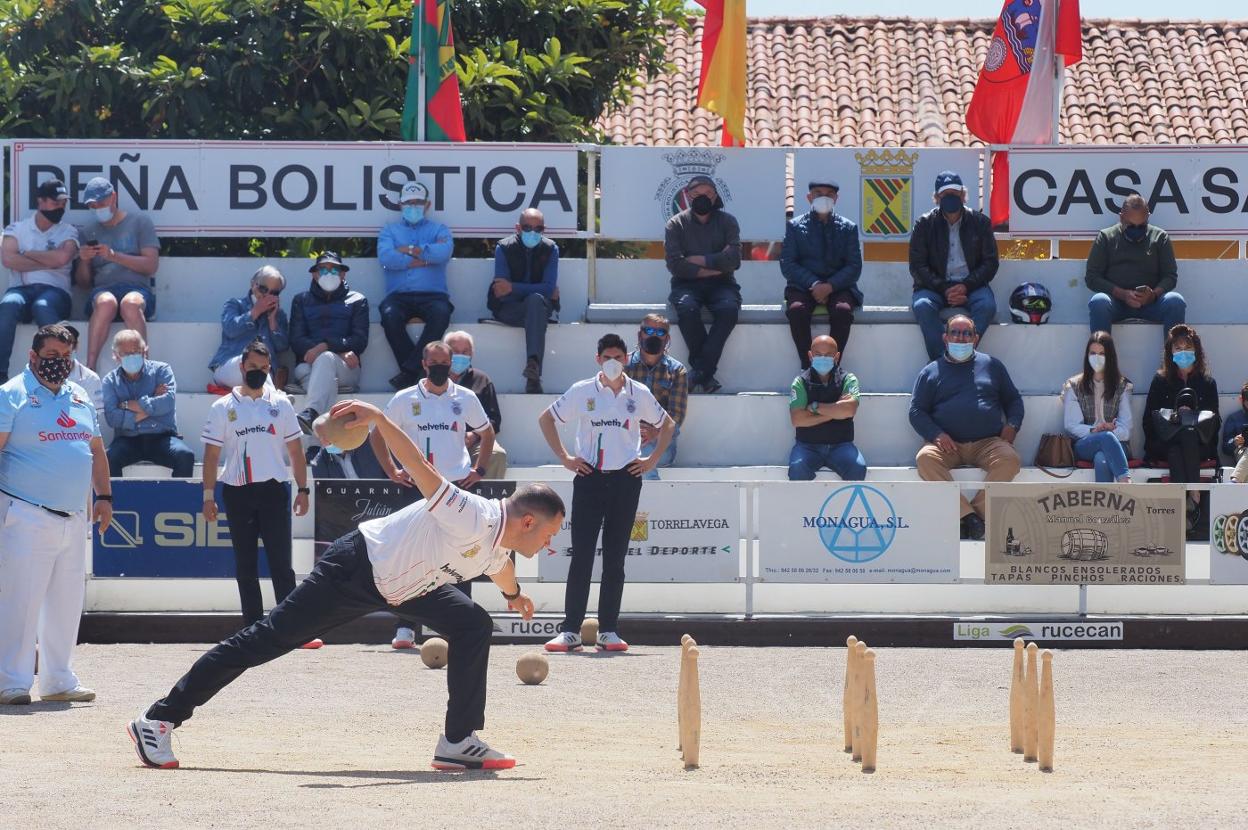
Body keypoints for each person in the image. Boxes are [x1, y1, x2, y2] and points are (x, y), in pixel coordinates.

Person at [126, 398, 563, 772]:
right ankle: (157, 721)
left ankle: (458, 742)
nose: (548, 542)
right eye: (549, 533)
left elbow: (501, 567)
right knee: (265, 640)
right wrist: (379, 417)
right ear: (527, 521)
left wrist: (514, 595)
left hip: (407, 586)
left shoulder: (500, 541)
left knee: (472, 623)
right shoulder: (472, 514)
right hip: (356, 569)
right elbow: (419, 466)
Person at [538, 333, 674, 653]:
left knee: (615, 557)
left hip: (626, 478)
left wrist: (650, 460)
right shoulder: (582, 390)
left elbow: (666, 424)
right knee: (582, 555)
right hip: (589, 478)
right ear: (598, 359)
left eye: (618, 356)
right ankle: (570, 630)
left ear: (627, 358)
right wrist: (565, 459)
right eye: (607, 357)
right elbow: (546, 419)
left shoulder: (638, 392)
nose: (613, 362)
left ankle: (608, 629)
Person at [0, 323, 112, 705]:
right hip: (26, 512)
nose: (59, 364)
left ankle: (58, 678)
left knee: (66, 601)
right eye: (51, 357)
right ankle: (10, 680)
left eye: (66, 357)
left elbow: (96, 450)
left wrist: (105, 496)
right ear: (32, 357)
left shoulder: (78, 395)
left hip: (73, 514)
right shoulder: (10, 395)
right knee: (21, 599)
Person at [370, 340, 496, 650]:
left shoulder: (465, 397)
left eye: (444, 363)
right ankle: (405, 627)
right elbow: (377, 432)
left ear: (451, 365)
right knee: (410, 553)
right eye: (433, 363)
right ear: (424, 365)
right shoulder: (404, 399)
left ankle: (460, 626)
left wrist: (478, 471)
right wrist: (390, 470)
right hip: (416, 486)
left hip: (454, 487)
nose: (439, 368)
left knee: (462, 552)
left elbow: (487, 432)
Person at [201, 340, 313, 638]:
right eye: (253, 368)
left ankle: (291, 629)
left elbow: (296, 451)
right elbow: (211, 456)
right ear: (241, 367)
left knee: (281, 562)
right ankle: (252, 629)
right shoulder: (222, 407)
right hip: (237, 491)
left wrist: (303, 489)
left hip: (274, 491)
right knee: (245, 563)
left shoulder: (281, 404)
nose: (258, 373)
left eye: (264, 368)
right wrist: (208, 496)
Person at [910, 315, 1023, 541]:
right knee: (925, 459)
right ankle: (969, 517)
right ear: (945, 337)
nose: (960, 338)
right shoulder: (930, 371)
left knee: (1010, 460)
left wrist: (1012, 426)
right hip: (946, 444)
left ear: (976, 338)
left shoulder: (992, 365)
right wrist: (937, 435)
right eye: (955, 333)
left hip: (988, 443)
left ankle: (971, 515)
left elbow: (1013, 400)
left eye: (966, 333)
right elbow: (916, 412)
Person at [909, 171, 999, 361]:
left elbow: (990, 262)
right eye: (945, 195)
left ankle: (964, 353)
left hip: (972, 286)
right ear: (937, 198)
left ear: (963, 196)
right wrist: (944, 288)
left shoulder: (980, 222)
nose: (951, 198)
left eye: (955, 194)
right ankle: (941, 360)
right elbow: (917, 265)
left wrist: (966, 286)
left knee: (987, 305)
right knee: (922, 305)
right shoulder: (924, 224)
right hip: (934, 287)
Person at [664, 175, 742, 394]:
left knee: (728, 310)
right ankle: (705, 375)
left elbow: (734, 260)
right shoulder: (675, 224)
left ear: (715, 196)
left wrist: (698, 259)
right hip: (686, 284)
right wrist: (717, 261)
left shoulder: (728, 222)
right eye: (698, 195)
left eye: (708, 194)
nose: (703, 199)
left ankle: (699, 373)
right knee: (687, 309)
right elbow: (675, 265)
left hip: (723, 284)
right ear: (688, 196)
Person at [75, 177, 161, 371]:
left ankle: (144, 367)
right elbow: (83, 283)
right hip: (102, 291)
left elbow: (151, 265)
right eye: (92, 205)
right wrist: (84, 260)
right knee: (106, 302)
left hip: (138, 289)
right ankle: (89, 369)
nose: (98, 208)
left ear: (114, 197)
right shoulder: (88, 231)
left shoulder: (140, 222)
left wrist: (114, 256)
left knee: (130, 304)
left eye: (101, 202)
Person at [1143, 324, 1220, 532]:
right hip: (1164, 442)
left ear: (1196, 350)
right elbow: (1148, 421)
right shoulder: (1160, 381)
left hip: (1199, 445)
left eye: (1187, 347)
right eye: (1177, 348)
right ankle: (1194, 494)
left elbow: (1215, 424)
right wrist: (1177, 417)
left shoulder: (1207, 383)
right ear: (1170, 352)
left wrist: (1193, 417)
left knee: (1184, 440)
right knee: (1180, 438)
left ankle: (1181, 506)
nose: (1183, 352)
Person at [378, 181, 454, 390]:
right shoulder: (389, 230)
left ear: (427, 205)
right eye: (408, 203)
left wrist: (407, 249)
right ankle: (417, 371)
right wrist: (424, 257)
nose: (413, 207)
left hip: (433, 296)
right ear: (401, 205)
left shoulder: (439, 228)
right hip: (399, 296)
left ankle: (409, 372)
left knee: (441, 314)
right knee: (389, 315)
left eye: (418, 202)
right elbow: (386, 257)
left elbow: (444, 252)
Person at [0, 179, 78, 383]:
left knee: (42, 306)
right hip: (21, 289)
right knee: (8, 305)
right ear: (40, 201)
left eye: (63, 202)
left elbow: (62, 258)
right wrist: (48, 260)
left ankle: (59, 370)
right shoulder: (16, 228)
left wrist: (25, 254)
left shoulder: (69, 230)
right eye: (55, 202)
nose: (60, 207)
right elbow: (8, 259)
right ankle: (0, 374)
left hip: (56, 293)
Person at [779, 180, 863, 367]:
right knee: (796, 310)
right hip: (803, 286)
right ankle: (808, 368)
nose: (823, 198)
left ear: (836, 198)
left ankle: (832, 367)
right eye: (818, 193)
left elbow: (854, 266)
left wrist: (830, 286)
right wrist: (815, 284)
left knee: (843, 311)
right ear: (809, 197)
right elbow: (787, 263)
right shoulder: (794, 226)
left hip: (839, 286)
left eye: (829, 194)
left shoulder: (848, 227)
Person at [289, 252, 369, 432]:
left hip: (347, 368)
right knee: (325, 380)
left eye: (334, 269)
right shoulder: (300, 300)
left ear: (343, 274)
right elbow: (296, 340)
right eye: (323, 269)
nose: (329, 273)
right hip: (308, 366)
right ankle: (317, 448)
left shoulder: (358, 300)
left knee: (325, 360)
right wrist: (336, 350)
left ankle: (310, 414)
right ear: (314, 274)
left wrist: (325, 347)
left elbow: (359, 340)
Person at [1086, 193, 1185, 335]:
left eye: (1141, 226)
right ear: (1121, 217)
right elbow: (1092, 277)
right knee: (1099, 302)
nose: (1136, 230)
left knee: (1175, 301)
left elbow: (1170, 276)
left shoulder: (1160, 237)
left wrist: (1154, 295)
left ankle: (1174, 356)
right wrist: (1123, 294)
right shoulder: (1106, 237)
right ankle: (1101, 355)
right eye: (1131, 226)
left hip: (1151, 304)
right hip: (1116, 303)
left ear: (1148, 217)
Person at [102, 329, 194, 477]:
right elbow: (112, 418)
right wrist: (153, 401)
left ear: (145, 350)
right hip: (127, 440)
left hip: (162, 438)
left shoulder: (162, 370)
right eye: (126, 353)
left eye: (137, 351)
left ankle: (176, 500)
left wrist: (126, 405)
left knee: (185, 455)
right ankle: (114, 501)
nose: (132, 356)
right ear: (116, 356)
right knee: (108, 458)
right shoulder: (110, 380)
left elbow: (168, 403)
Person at [490, 208, 559, 393]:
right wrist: (539, 290)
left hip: (538, 309)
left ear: (544, 230)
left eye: (538, 229)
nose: (533, 232)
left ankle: (533, 369)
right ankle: (534, 372)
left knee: (535, 302)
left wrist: (513, 287)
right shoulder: (503, 248)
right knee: (536, 300)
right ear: (518, 228)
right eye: (527, 227)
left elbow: (548, 288)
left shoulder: (551, 249)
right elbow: (502, 292)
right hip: (510, 310)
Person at [787, 335, 867, 481]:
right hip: (807, 446)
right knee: (797, 468)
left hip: (841, 446)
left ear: (837, 357)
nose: (823, 358)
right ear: (810, 356)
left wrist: (815, 407)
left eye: (828, 355)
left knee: (858, 467)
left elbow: (849, 410)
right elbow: (798, 419)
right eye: (818, 354)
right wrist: (836, 412)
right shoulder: (800, 382)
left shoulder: (848, 379)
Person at [1061, 331, 1134, 483]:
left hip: (1118, 445)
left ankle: (1104, 506)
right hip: (1086, 443)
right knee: (1104, 438)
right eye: (1093, 353)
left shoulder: (1122, 386)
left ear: (1110, 357)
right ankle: (1126, 482)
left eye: (1102, 354)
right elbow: (1071, 426)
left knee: (1102, 456)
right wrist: (1094, 430)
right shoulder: (1074, 386)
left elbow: (1126, 430)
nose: (1096, 358)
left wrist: (1111, 429)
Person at [624, 313, 688, 480]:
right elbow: (610, 404)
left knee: (642, 452)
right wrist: (634, 428)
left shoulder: (676, 370)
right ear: (640, 335)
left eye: (660, 332)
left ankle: (647, 501)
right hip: (625, 436)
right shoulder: (623, 365)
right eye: (649, 330)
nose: (654, 336)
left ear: (667, 339)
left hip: (661, 442)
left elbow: (677, 415)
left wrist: (655, 432)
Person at [208, 265, 290, 389]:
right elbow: (230, 329)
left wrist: (272, 321)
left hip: (264, 372)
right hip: (230, 367)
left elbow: (282, 346)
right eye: (263, 289)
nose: (266, 295)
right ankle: (276, 397)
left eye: (273, 292)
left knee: (260, 365)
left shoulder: (279, 315)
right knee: (250, 360)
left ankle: (272, 394)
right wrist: (254, 312)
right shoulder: (235, 304)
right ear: (253, 284)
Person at [445, 330, 507, 480]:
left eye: (465, 351)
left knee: (497, 455)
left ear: (471, 354)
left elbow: (494, 420)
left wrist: (474, 435)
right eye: (455, 351)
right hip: (438, 435)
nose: (460, 355)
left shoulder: (482, 379)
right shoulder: (433, 377)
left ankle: (485, 500)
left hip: (474, 440)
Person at [62, 324, 104, 419]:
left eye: (69, 343)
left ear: (76, 346)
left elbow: (94, 416)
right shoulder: (41, 375)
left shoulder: (91, 378)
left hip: (80, 432)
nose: (64, 348)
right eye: (60, 343)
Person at [1219, 382, 1248, 467]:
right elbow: (1225, 448)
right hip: (1243, 451)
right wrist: (1235, 442)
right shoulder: (1234, 418)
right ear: (1241, 399)